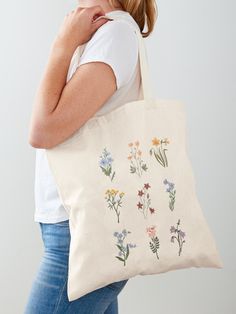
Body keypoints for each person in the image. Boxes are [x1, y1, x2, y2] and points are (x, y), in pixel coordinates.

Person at [24, 0, 157, 313]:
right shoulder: (100, 33)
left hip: (81, 239)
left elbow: (43, 131)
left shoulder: (115, 34)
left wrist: (63, 43)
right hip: (74, 231)